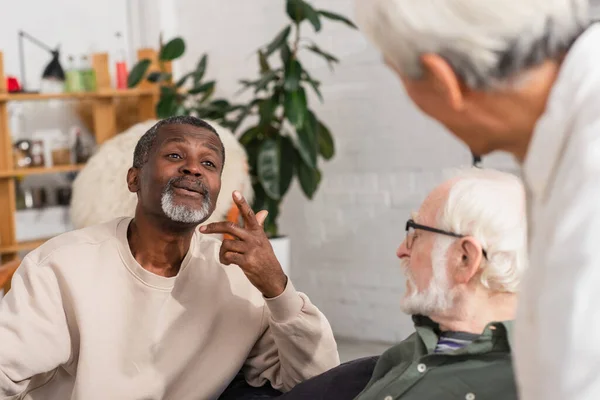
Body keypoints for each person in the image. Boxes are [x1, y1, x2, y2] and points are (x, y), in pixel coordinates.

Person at [354, 1, 599, 399]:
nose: (401, 250)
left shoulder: (588, 176)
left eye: (398, 76)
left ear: (442, 80)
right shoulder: (564, 145)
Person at [0, 116, 339, 399]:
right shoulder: (62, 267)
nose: (194, 169)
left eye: (208, 163)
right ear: (134, 179)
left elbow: (319, 382)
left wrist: (277, 287)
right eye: (175, 156)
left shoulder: (239, 280)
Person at [219, 168, 527, 400]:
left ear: (465, 258)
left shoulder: (530, 380)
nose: (402, 250)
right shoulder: (416, 348)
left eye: (416, 233)